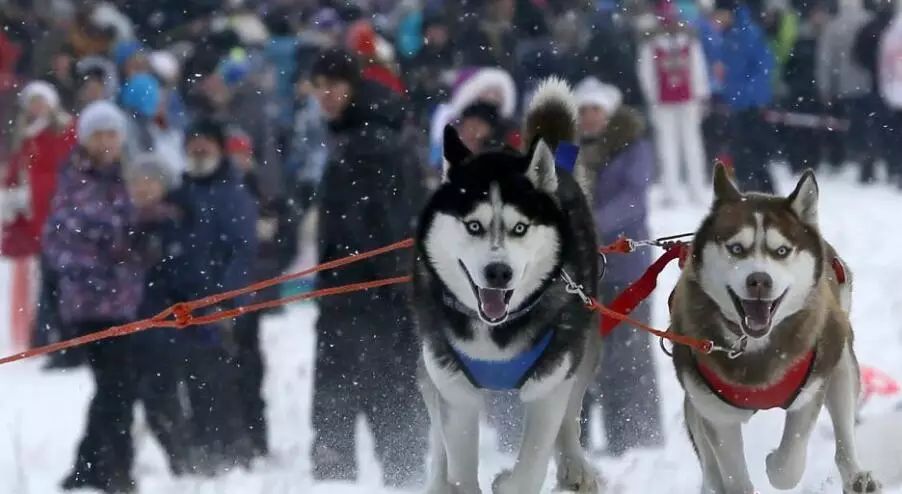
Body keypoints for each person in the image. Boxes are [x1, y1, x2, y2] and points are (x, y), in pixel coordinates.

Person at [308, 48, 428, 488]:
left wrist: (370, 273)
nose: (324, 95)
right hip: (362, 289)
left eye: (333, 86)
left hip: (367, 291)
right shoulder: (366, 130)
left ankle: (388, 476)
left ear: (353, 86)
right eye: (318, 86)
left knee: (364, 393)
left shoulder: (369, 140)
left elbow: (381, 221)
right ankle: (403, 471)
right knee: (386, 394)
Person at [45, 101, 142, 493]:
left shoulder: (128, 176)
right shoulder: (75, 181)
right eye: (99, 134)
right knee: (117, 387)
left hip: (128, 301)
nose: (106, 142)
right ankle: (113, 469)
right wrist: (107, 257)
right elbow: (58, 246)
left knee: (117, 387)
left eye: (112, 134)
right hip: (91, 305)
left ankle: (89, 467)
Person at [573, 77, 665, 456]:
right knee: (579, 358)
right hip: (580, 272)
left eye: (596, 110)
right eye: (583, 111)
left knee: (628, 356)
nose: (589, 117)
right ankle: (575, 438)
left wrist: (588, 226)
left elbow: (633, 199)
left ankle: (633, 435)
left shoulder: (634, 147)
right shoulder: (567, 149)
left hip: (626, 269)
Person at [170, 118, 259, 471]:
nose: (199, 148)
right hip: (185, 305)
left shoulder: (233, 192)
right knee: (193, 380)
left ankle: (236, 450)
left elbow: (242, 250)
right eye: (193, 142)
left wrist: (227, 299)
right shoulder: (181, 192)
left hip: (223, 304)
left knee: (227, 379)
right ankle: (204, 448)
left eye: (205, 142)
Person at [0, 81, 76, 359]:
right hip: (34, 215)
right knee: (40, 278)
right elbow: (15, 172)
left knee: (55, 278)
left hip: (58, 213)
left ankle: (52, 334)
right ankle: (41, 334)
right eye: (32, 102)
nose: (36, 108)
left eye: (40, 101)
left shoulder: (65, 130)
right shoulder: (24, 135)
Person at [637, 2, 710, 204]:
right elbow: (647, 75)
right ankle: (672, 191)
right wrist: (653, 99)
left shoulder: (688, 43)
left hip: (685, 100)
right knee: (669, 146)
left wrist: (701, 95)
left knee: (690, 145)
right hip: (666, 102)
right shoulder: (652, 45)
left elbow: (698, 70)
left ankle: (695, 189)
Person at [710, 0, 777, 193]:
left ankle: (762, 192)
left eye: (719, 15)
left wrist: (751, 97)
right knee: (743, 154)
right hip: (737, 104)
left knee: (752, 153)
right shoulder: (729, 35)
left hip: (751, 105)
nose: (717, 20)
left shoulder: (748, 33)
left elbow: (764, 67)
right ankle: (753, 191)